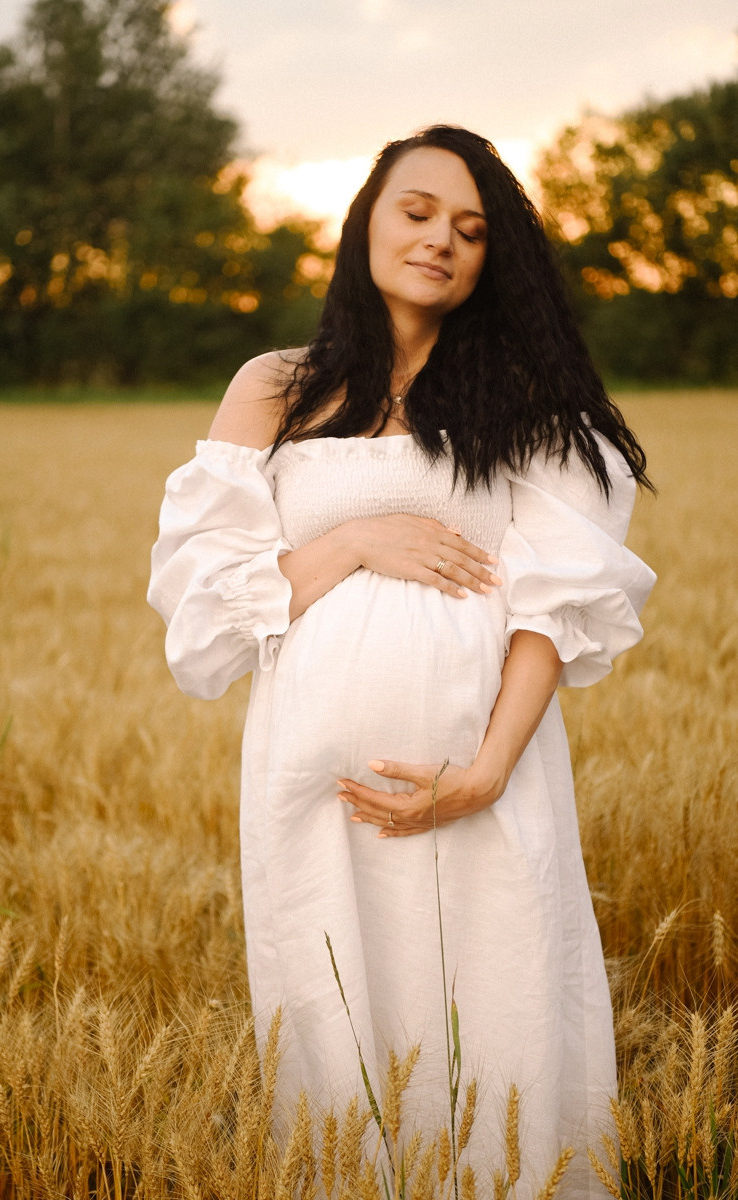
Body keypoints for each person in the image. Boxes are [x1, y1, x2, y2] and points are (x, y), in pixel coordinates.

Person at [148, 125, 655, 1195]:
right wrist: (352, 540)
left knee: (502, 1002)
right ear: (366, 224)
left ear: (494, 260)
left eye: (472, 231)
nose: (441, 242)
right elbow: (207, 612)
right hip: (315, 782)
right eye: (417, 212)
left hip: (484, 775)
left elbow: (552, 610)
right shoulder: (276, 387)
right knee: (336, 1012)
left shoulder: (522, 400)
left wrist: (488, 769)